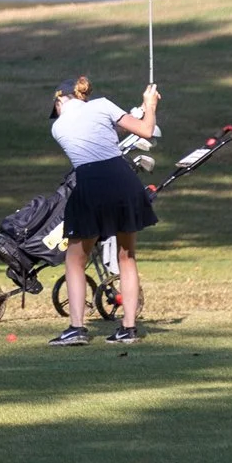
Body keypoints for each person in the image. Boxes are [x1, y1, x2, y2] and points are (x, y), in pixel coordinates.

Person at [47, 73, 159, 346]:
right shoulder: (103, 105)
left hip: (91, 185)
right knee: (127, 256)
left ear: (61, 99)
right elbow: (146, 131)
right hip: (123, 181)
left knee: (75, 259)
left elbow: (98, 134)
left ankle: (76, 329)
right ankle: (128, 329)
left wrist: (139, 112)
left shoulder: (59, 127)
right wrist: (150, 106)